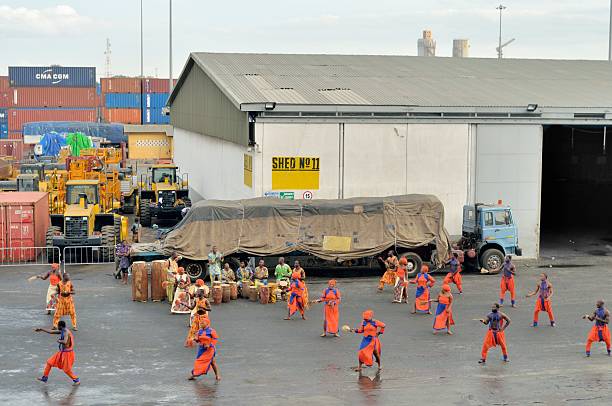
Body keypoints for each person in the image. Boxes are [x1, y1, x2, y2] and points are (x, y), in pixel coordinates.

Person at [35, 321, 80, 385]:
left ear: (60, 326)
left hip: (67, 354)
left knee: (66, 370)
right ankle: (44, 378)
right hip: (62, 352)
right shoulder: (62, 330)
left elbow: (64, 341)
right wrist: (41, 329)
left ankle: (76, 380)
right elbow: (51, 332)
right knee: (49, 362)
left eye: (58, 326)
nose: (57, 327)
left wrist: (59, 341)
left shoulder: (66, 332)